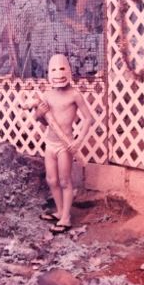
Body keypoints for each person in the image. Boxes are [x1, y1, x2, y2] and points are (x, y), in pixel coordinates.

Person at [33, 54, 95, 234]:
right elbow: (42, 121)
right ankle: (59, 211)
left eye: (62, 69)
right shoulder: (47, 95)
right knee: (51, 180)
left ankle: (66, 218)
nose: (58, 73)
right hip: (50, 143)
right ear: (48, 73)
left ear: (69, 71)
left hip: (64, 145)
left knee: (65, 180)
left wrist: (78, 141)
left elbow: (88, 118)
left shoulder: (74, 95)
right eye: (54, 69)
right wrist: (39, 113)